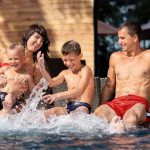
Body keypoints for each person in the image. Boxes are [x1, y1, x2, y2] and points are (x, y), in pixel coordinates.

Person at [94, 21, 150, 131]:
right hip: (117, 103)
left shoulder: (148, 57)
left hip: (138, 104)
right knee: (98, 113)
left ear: (135, 38)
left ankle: (121, 136)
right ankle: (118, 128)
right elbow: (109, 86)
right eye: (119, 38)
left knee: (130, 119)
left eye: (123, 38)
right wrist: (101, 105)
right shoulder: (115, 57)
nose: (119, 42)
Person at [37, 40, 94, 118]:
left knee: (78, 113)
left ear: (80, 56)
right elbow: (51, 83)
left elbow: (79, 91)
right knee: (45, 114)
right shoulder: (65, 73)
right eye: (65, 60)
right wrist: (43, 69)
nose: (68, 63)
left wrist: (57, 95)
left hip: (82, 106)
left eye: (71, 60)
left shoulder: (85, 70)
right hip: (69, 107)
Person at [0, 43, 35, 115]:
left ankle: (5, 111)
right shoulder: (5, 69)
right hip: (1, 95)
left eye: (16, 59)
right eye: (10, 59)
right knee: (9, 96)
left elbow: (34, 91)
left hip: (17, 100)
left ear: (24, 59)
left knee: (21, 106)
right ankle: (5, 110)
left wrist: (29, 80)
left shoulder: (26, 75)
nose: (13, 62)